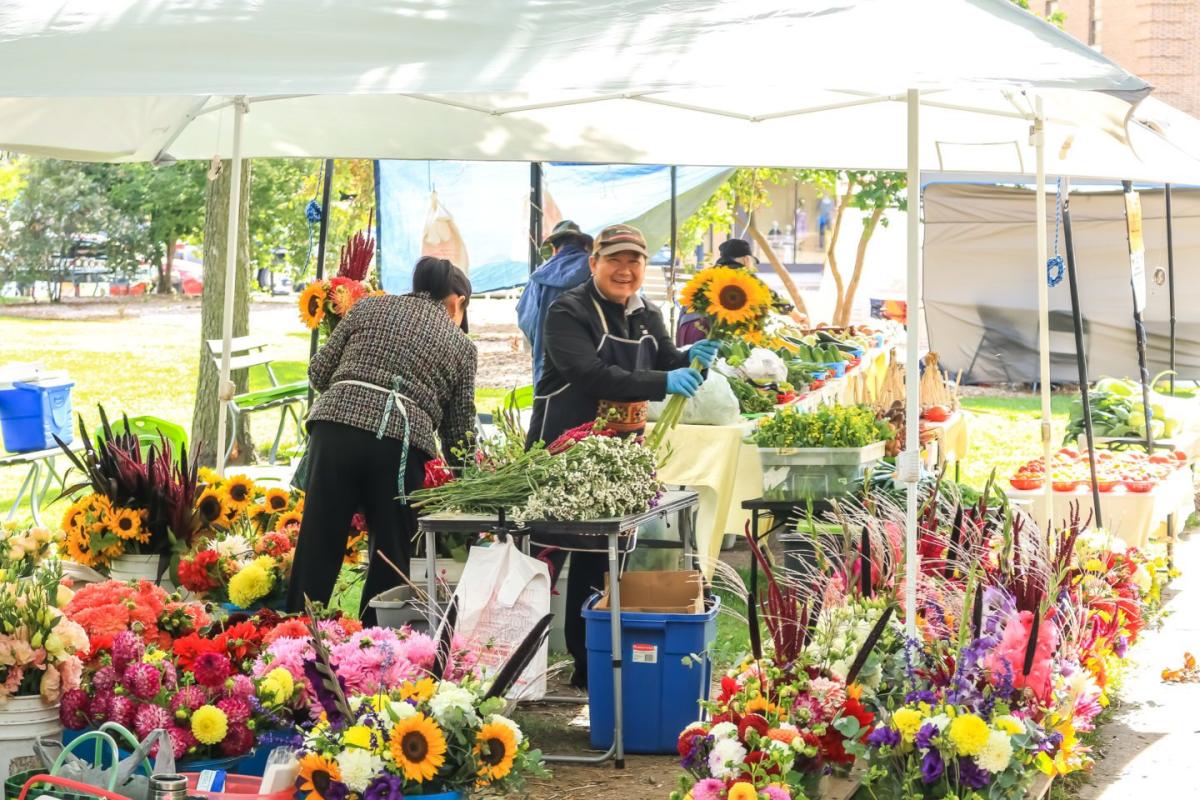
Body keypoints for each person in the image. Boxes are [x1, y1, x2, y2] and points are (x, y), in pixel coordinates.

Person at [529, 223, 720, 687]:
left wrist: (694, 356)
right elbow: (591, 373)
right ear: (593, 263)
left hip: (619, 457)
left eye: (634, 260)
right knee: (547, 555)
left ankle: (588, 664)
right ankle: (520, 661)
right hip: (567, 453)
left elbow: (665, 358)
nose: (624, 269)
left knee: (603, 557)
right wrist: (663, 382)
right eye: (614, 259)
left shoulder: (645, 311)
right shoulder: (567, 311)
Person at [286, 257, 477, 624]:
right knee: (390, 551)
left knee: (318, 542)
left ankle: (295, 637)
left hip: (335, 429)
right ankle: (374, 643)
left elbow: (319, 371)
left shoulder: (369, 306)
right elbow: (459, 431)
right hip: (399, 445)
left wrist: (357, 393)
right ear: (458, 302)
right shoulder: (461, 345)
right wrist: (468, 479)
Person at [516, 220, 594, 386]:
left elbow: (525, 321)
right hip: (589, 365)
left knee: (549, 405)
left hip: (547, 365)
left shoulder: (539, 276)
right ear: (584, 245)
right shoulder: (596, 269)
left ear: (554, 248)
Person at [676, 238, 759, 345]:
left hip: (686, 328)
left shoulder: (707, 273)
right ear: (746, 259)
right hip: (706, 332)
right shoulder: (742, 277)